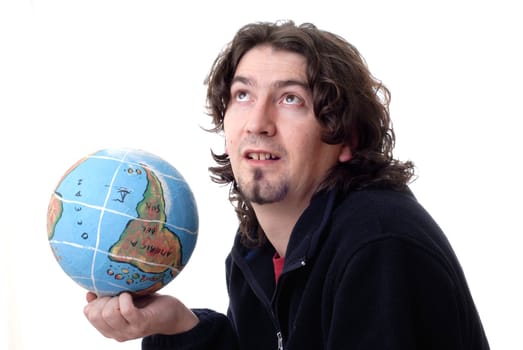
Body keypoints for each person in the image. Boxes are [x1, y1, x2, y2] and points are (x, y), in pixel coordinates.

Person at [84, 20, 490, 349]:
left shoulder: (378, 245)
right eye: (242, 95)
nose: (258, 122)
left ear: (346, 137)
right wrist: (176, 326)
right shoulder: (257, 250)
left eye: (290, 99)